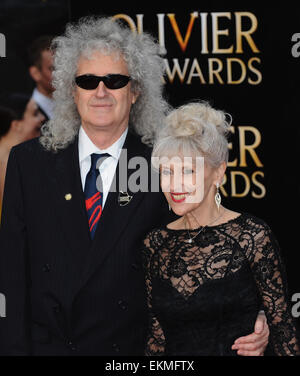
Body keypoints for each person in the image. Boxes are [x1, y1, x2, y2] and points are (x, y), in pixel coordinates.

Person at [0, 16, 268, 356]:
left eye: (114, 80)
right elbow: (11, 272)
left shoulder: (164, 163)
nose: (100, 91)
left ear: (136, 90)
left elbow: (204, 249)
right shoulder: (29, 161)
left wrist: (250, 313)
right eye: (87, 80)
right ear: (71, 89)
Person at [142, 101, 299, 356]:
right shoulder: (155, 244)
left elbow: (284, 335)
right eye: (167, 172)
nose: (175, 184)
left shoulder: (252, 236)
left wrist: (265, 328)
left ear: (218, 173)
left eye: (188, 170)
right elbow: (156, 338)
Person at [0, 94, 45, 219]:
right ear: (16, 125)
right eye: (35, 114)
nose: (42, 118)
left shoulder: (23, 159)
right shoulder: (10, 163)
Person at [28, 35, 55, 120]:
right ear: (36, 73)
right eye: (53, 68)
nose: (61, 73)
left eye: (64, 66)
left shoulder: (77, 105)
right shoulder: (26, 114)